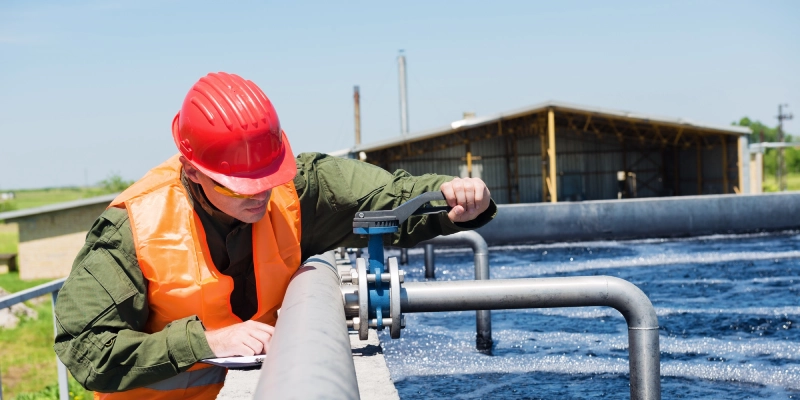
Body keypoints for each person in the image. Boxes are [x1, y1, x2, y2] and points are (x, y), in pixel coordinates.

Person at [53, 72, 496, 399]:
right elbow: (85, 348)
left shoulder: (298, 188)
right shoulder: (132, 228)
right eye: (242, 187)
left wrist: (453, 199)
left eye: (268, 178)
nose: (260, 196)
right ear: (193, 171)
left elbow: (388, 196)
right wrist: (204, 341)